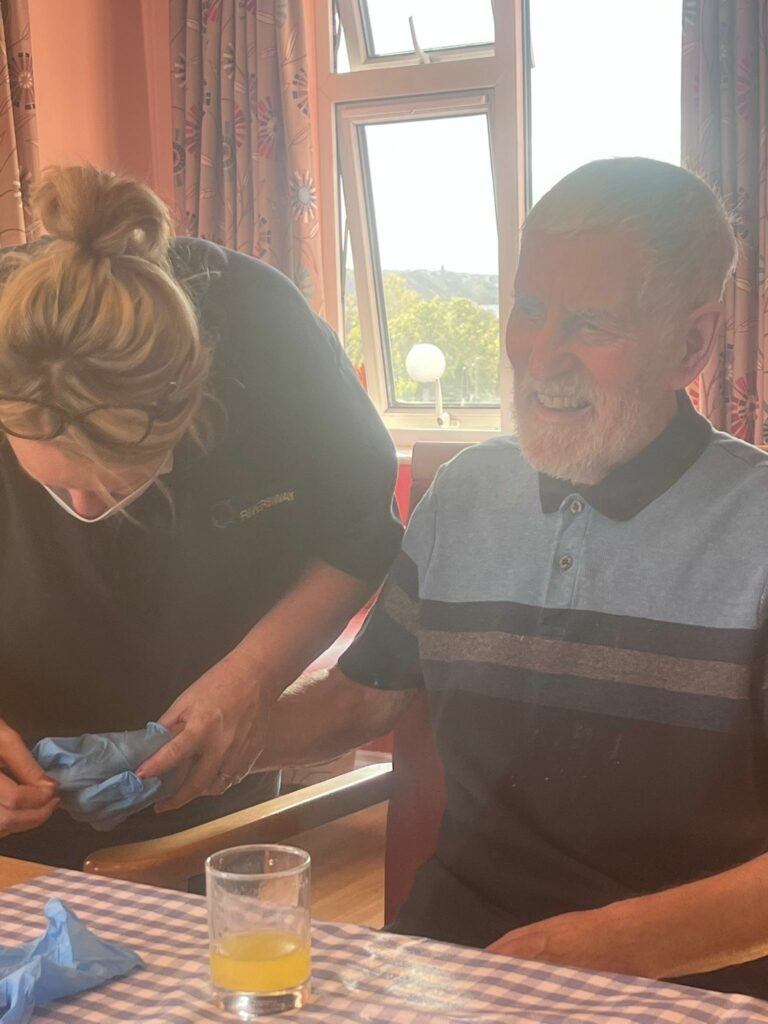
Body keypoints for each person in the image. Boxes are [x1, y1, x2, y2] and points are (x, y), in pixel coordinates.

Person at [147, 157, 768, 1000]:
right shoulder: (466, 494)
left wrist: (600, 950)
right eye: (529, 310)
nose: (539, 356)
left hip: (684, 989)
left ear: (692, 344)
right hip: (446, 967)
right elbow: (361, 702)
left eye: (590, 324)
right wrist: (182, 748)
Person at [0, 165, 402, 867]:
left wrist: (253, 675)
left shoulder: (266, 339)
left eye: (116, 484)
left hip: (211, 786)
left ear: (195, 407)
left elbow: (360, 535)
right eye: (57, 488)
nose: (86, 512)